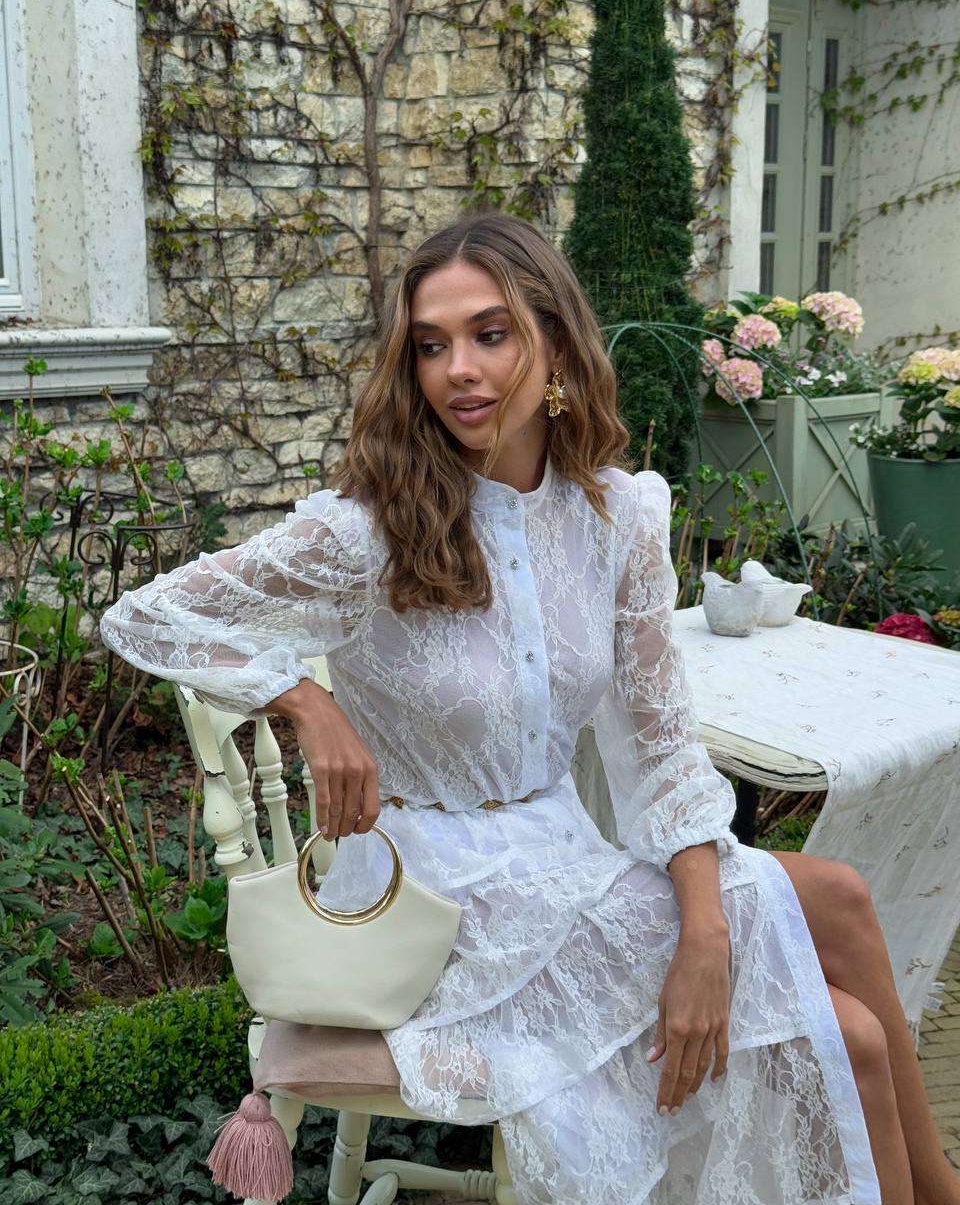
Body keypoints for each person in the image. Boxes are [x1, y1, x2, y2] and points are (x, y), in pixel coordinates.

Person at [100, 212, 959, 1205]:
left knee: (840, 907)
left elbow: (660, 750)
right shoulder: (367, 528)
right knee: (840, 1029)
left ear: (553, 341)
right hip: (434, 899)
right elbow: (149, 614)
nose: (459, 367)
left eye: (490, 333)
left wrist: (706, 941)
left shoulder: (616, 514)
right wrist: (303, 700)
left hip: (565, 864)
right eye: (431, 344)